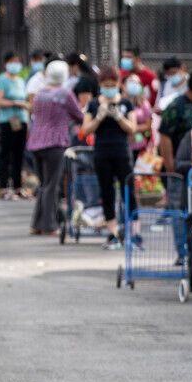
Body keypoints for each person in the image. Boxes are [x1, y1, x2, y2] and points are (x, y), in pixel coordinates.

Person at [79, 66, 138, 250]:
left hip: (122, 152)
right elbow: (85, 129)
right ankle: (112, 233)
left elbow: (133, 128)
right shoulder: (94, 104)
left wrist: (119, 117)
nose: (110, 88)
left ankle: (134, 234)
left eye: (113, 85)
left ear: (119, 84)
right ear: (100, 85)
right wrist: (99, 117)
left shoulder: (126, 103)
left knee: (129, 191)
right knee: (107, 192)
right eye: (106, 85)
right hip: (102, 153)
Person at [27, 60, 84, 236]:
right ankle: (50, 225)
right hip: (55, 143)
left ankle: (36, 224)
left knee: (44, 184)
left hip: (36, 142)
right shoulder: (64, 94)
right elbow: (79, 115)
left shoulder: (40, 94)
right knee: (52, 185)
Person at [0, 52, 30, 199]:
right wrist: (14, 103)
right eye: (13, 61)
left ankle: (17, 186)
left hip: (21, 120)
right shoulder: (2, 80)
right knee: (5, 153)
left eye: (17, 61)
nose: (16, 64)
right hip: (7, 120)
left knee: (19, 154)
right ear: (7, 63)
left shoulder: (20, 80)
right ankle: (3, 186)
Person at [125, 75, 153, 163]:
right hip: (124, 144)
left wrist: (132, 128)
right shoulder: (121, 102)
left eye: (135, 83)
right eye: (130, 82)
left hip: (141, 145)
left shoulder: (144, 104)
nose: (133, 85)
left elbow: (148, 125)